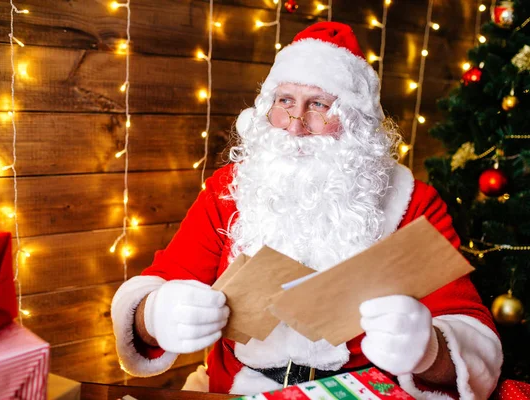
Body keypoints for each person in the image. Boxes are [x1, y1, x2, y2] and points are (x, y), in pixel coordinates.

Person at [111, 22, 503, 399]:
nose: (295, 125)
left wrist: (429, 350)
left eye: (318, 105)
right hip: (243, 386)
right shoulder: (228, 189)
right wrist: (158, 315)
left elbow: (470, 327)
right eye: (285, 102)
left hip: (364, 390)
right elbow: (160, 287)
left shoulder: (413, 202)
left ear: (355, 122)